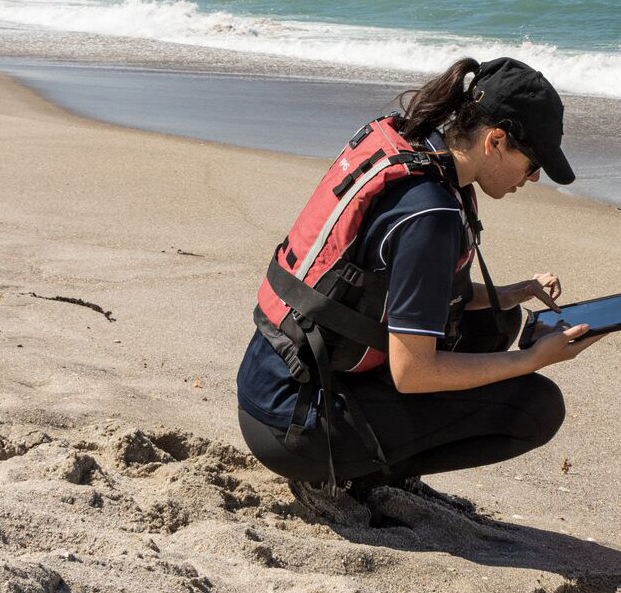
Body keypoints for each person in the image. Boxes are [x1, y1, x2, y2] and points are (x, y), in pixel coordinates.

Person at [236, 56, 600, 516]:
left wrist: (510, 292)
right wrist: (529, 359)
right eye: (532, 166)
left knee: (497, 318)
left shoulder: (418, 147)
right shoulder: (431, 214)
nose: (533, 180)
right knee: (538, 407)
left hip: (278, 379)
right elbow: (414, 373)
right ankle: (349, 475)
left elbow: (382, 290)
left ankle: (372, 461)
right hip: (294, 426)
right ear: (496, 141)